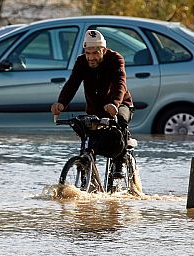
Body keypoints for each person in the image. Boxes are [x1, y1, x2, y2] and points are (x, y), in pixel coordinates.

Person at [51, 30, 134, 177]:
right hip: (95, 108)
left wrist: (114, 103)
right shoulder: (81, 61)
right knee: (88, 138)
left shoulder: (115, 59)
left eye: (95, 53)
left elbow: (119, 83)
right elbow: (72, 83)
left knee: (120, 121)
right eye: (88, 53)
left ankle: (119, 162)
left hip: (120, 104)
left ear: (103, 50)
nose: (91, 58)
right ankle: (86, 171)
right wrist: (61, 103)